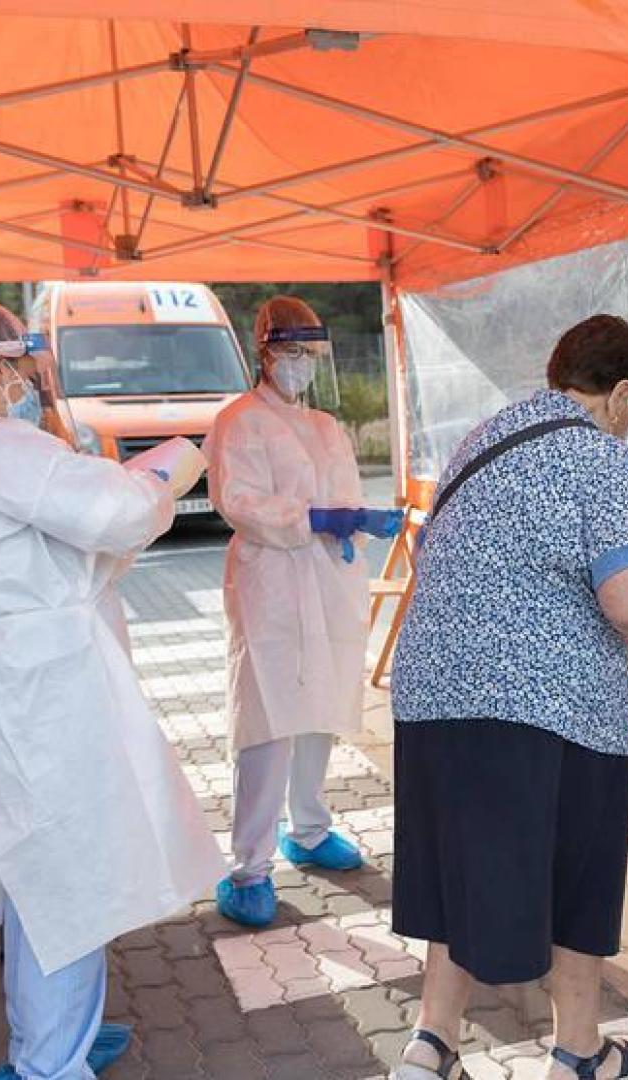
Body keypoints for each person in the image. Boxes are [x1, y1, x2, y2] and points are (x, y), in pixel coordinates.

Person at [0, 292, 225, 1080]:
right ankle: (49, 1061)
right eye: (27, 365)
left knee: (37, 870)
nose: (33, 381)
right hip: (36, 690)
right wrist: (164, 477)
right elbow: (110, 511)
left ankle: (57, 1036)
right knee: (65, 875)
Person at [390, 315, 628, 1080]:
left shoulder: (484, 438)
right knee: (576, 879)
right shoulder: (595, 457)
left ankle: (429, 1046)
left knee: (454, 875)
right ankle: (578, 1052)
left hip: (433, 694)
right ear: (622, 395)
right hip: (541, 706)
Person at [203, 296, 397, 928]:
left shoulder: (324, 426)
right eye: (291, 353)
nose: (302, 366)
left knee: (320, 709)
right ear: (264, 353)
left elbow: (341, 496)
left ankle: (309, 828)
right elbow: (239, 502)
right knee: (268, 720)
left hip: (328, 583)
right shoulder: (238, 421)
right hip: (273, 589)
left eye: (310, 355)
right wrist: (311, 519)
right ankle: (249, 868)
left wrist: (357, 520)